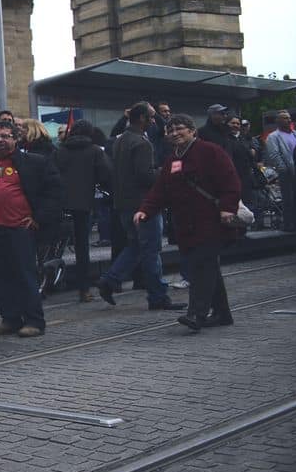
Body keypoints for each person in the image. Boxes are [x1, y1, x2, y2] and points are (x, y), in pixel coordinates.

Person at [135, 114, 241, 331]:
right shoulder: (172, 159)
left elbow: (231, 180)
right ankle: (222, 313)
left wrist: (227, 208)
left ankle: (196, 314)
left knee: (201, 266)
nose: (175, 133)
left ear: (193, 131)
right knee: (207, 266)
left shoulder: (210, 151)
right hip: (186, 225)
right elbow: (160, 190)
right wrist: (145, 210)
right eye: (170, 130)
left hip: (211, 220)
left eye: (179, 129)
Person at [0, 120, 64, 338]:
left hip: (19, 230)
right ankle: (10, 318)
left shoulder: (33, 162)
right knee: (0, 276)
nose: (0, 140)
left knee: (24, 275)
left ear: (15, 139)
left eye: (5, 136)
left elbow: (54, 192)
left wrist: (39, 218)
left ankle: (34, 321)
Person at [96, 103, 182, 311]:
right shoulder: (142, 144)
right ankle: (158, 296)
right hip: (143, 205)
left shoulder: (120, 140)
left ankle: (109, 280)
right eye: (152, 117)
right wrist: (166, 171)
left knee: (135, 246)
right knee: (151, 250)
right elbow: (145, 175)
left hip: (123, 204)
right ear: (142, 118)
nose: (154, 121)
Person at [54, 120, 112, 301]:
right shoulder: (94, 151)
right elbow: (106, 174)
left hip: (60, 203)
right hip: (84, 204)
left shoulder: (60, 151)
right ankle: (84, 288)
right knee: (82, 247)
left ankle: (48, 281)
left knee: (53, 245)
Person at [263, 110, 296, 232]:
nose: (288, 120)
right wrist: (284, 170)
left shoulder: (295, 134)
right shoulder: (273, 136)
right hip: (287, 173)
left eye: (289, 118)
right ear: (278, 121)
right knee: (288, 199)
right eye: (284, 118)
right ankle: (289, 225)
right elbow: (274, 155)